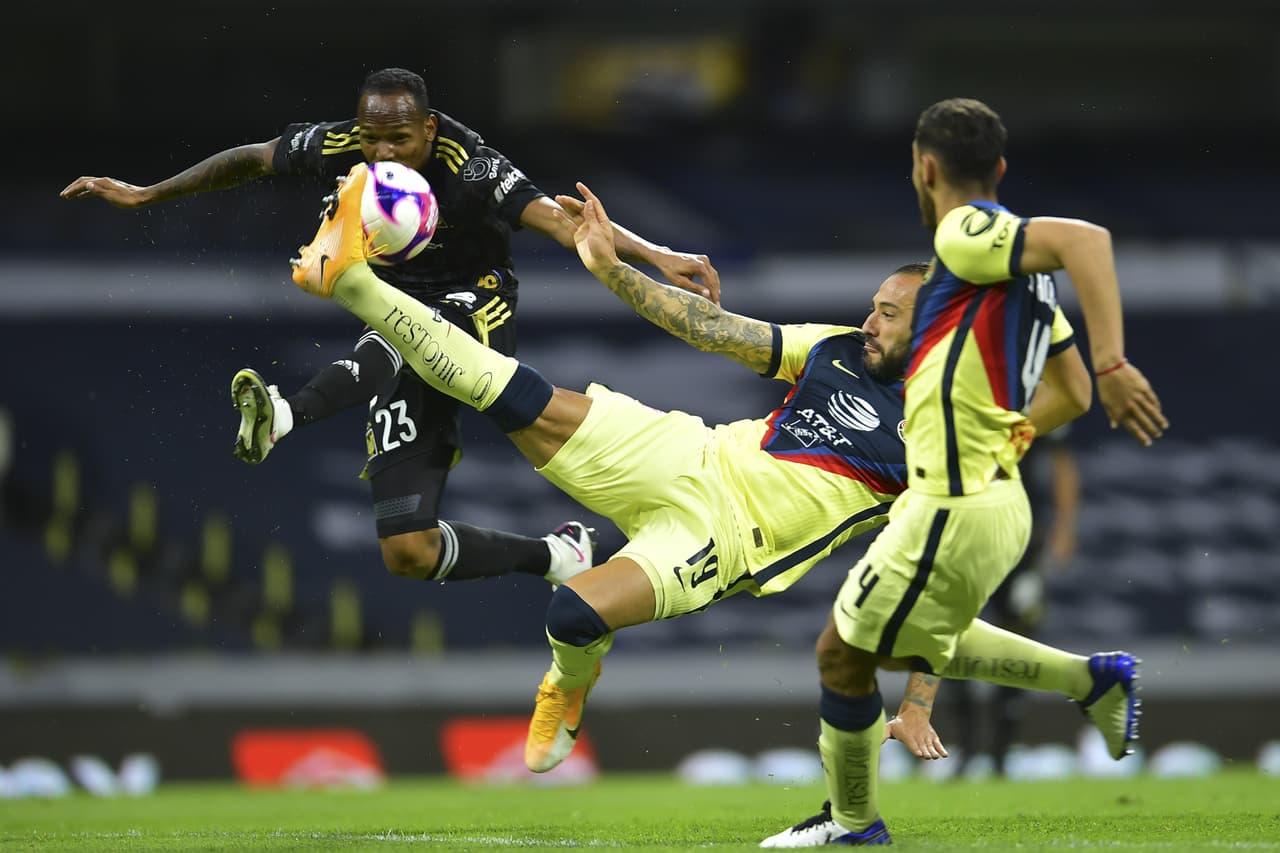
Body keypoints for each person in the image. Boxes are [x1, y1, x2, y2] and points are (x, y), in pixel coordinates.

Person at [279, 159, 1129, 783]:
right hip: (691, 450)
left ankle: (570, 680)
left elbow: (940, 579)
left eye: (888, 313)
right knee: (508, 390)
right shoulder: (833, 346)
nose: (869, 321)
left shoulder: (944, 426)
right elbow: (718, 331)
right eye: (872, 306)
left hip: (728, 538)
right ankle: (350, 277)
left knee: (573, 612)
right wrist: (613, 269)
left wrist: (917, 703)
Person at [60, 68, 720, 589]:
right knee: (408, 549)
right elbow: (255, 158)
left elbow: (563, 220)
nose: (382, 153)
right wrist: (147, 193)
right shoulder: (347, 144)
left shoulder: (471, 164)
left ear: (428, 128)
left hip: (479, 308)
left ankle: (285, 414)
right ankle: (558, 555)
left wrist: (659, 255)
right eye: (372, 139)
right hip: (400, 312)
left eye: (398, 139)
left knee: (404, 335)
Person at [760, 97, 1167, 848]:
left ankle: (853, 824)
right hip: (984, 495)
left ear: (925, 168)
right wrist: (1008, 432)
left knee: (841, 655)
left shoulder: (961, 233)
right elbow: (1071, 394)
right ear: (1000, 165)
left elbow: (1088, 241)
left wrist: (1114, 362)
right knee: (890, 643)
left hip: (956, 500)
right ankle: (1091, 679)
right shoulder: (1024, 282)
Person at [942, 428, 1081, 777]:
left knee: (1017, 638)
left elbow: (1062, 462)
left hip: (1020, 540)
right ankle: (966, 745)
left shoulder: (1029, 402)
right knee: (950, 638)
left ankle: (1001, 751)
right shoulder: (947, 402)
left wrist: (1064, 527)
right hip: (961, 536)